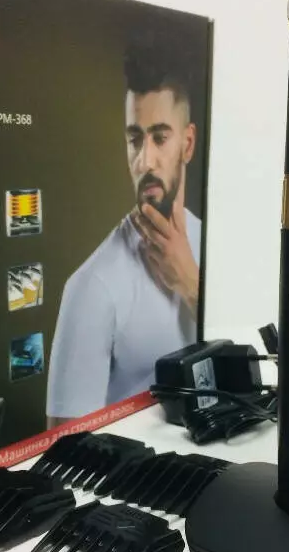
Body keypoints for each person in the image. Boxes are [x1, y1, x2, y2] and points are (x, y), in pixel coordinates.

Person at [46, 33, 202, 426]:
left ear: (187, 144)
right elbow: (64, 446)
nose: (145, 160)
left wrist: (191, 283)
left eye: (160, 138)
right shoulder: (92, 287)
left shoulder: (215, 247)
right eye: (135, 139)